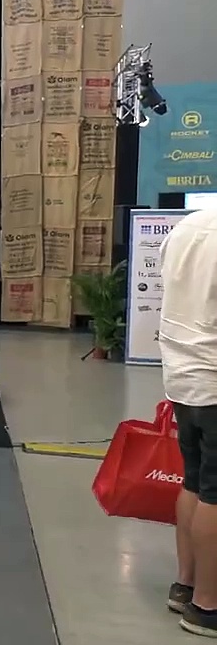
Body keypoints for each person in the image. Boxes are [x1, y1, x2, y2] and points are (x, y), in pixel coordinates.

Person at [158, 208, 217, 637]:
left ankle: (187, 584)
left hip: (183, 375)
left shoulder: (187, 226)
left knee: (195, 480)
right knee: (215, 491)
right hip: (214, 376)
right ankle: (207, 606)